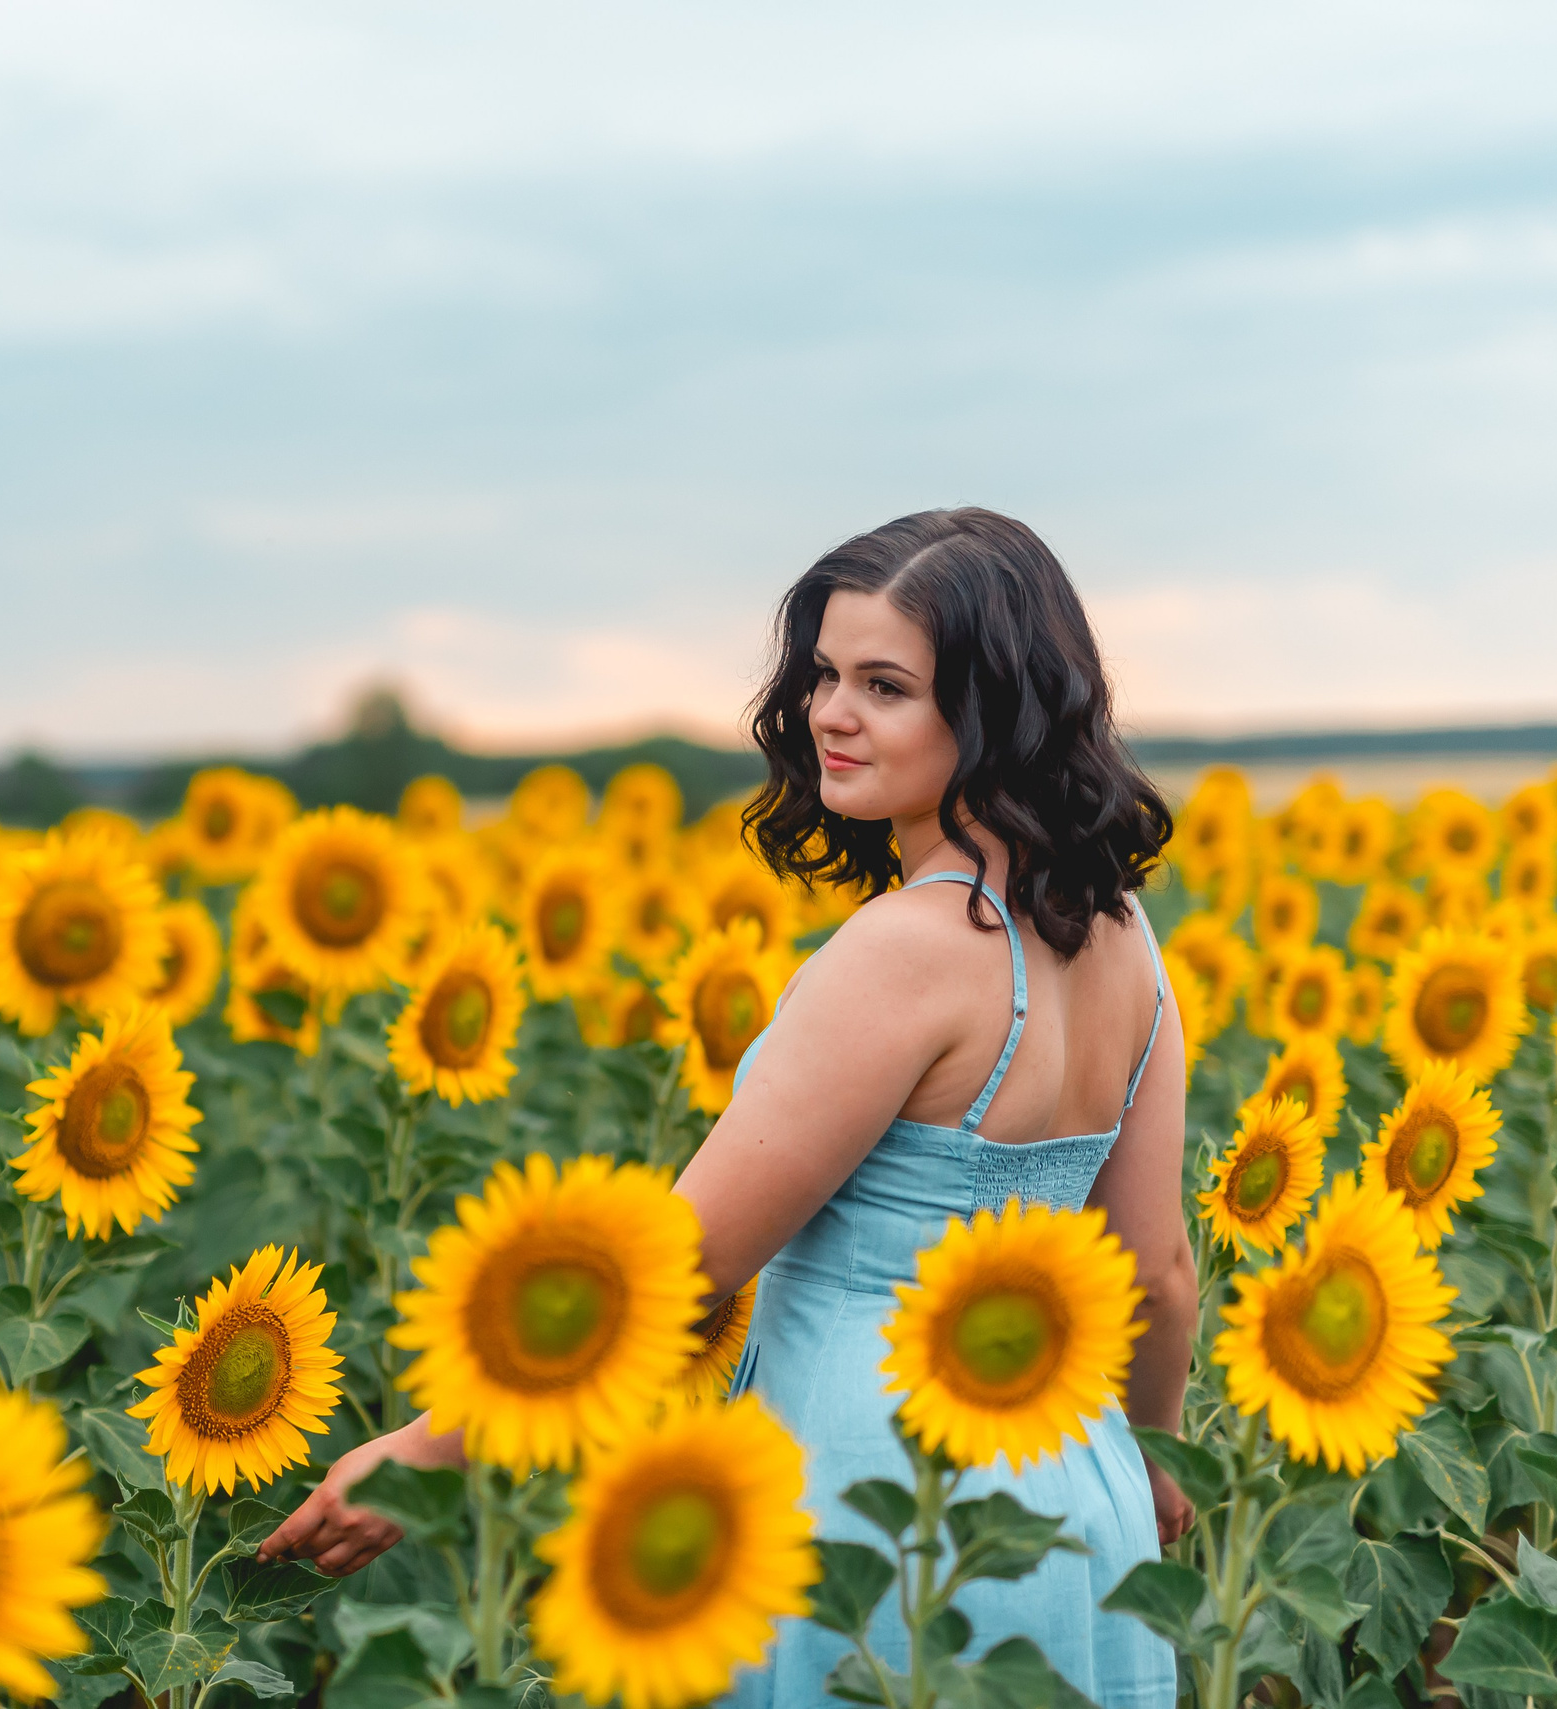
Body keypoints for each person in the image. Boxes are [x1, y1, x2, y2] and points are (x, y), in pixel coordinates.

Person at [258, 508, 1197, 1709]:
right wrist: (1148, 1462)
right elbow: (1158, 1269)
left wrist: (424, 1445)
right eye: (822, 674)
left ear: (993, 707)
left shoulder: (904, 951)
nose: (829, 713)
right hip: (1068, 1496)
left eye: (885, 684)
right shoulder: (1123, 936)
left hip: (876, 1497)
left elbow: (682, 1266)